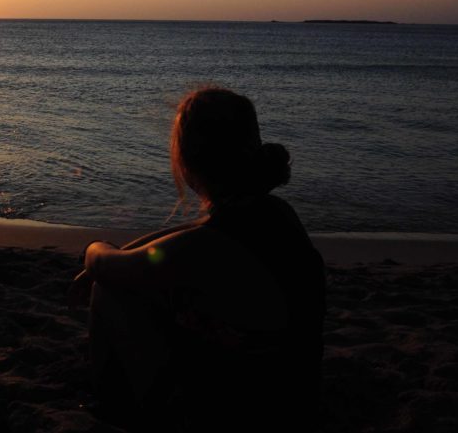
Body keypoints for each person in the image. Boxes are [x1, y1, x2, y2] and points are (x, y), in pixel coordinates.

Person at [68, 86, 326, 431]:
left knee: (109, 291)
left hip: (240, 412)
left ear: (187, 161)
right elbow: (191, 232)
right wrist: (129, 249)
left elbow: (103, 264)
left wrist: (97, 247)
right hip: (295, 395)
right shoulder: (277, 214)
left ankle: (114, 407)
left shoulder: (200, 249)